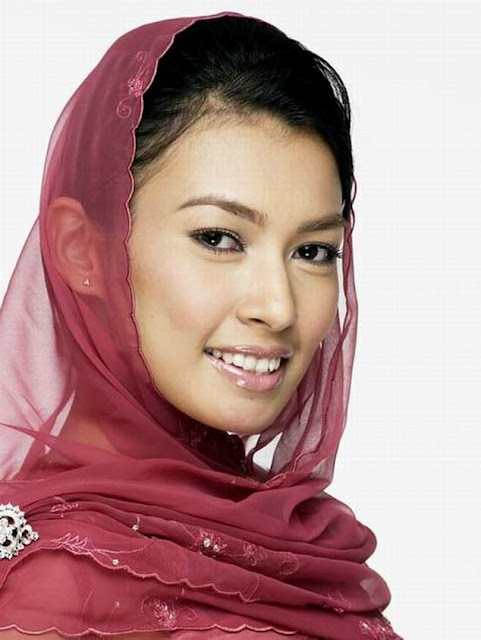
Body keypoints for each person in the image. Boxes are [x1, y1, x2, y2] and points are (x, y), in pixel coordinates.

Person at [0, 10, 402, 640]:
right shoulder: (61, 588)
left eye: (313, 250)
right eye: (218, 238)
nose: (279, 307)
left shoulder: (299, 542)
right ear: (81, 249)